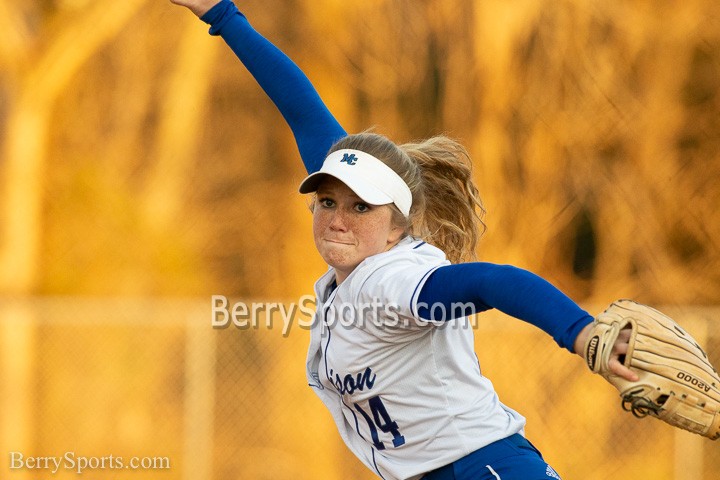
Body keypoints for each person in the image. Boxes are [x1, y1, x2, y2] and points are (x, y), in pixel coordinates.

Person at [171, 1, 637, 479]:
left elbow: (490, 283)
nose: (337, 219)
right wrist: (221, 15)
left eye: (360, 208)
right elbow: (304, 113)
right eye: (327, 202)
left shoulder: (391, 281)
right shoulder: (353, 270)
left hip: (482, 468)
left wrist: (580, 331)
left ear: (398, 225)